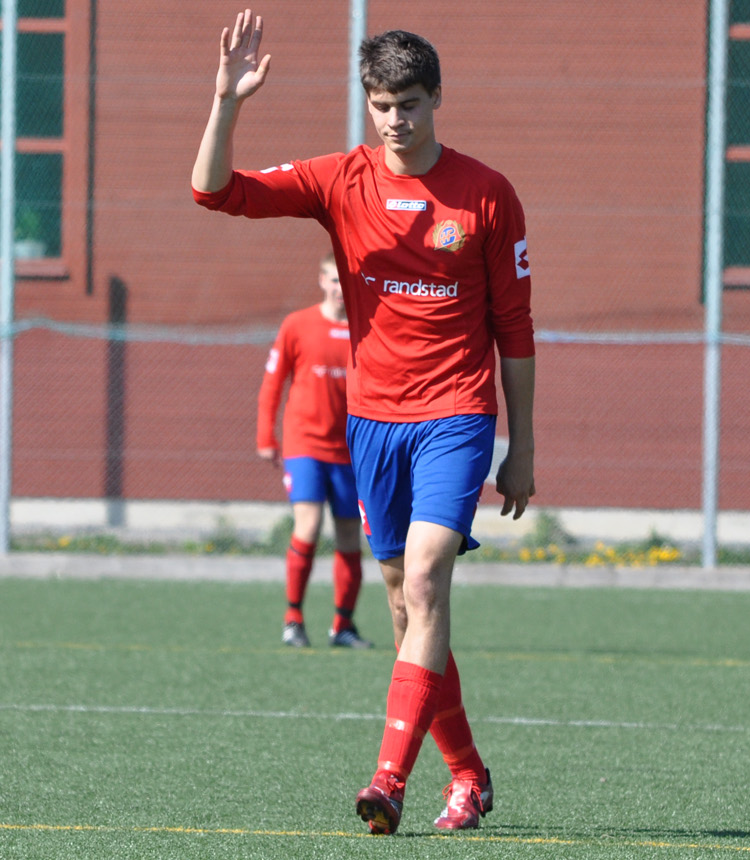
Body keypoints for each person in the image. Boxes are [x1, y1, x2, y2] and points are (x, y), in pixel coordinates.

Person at [191, 11, 536, 834]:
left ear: (436, 98)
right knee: (405, 608)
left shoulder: (487, 194)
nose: (395, 120)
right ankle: (468, 775)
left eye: (409, 103)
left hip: (456, 414)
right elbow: (214, 191)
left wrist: (521, 445)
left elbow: (515, 327)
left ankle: (389, 780)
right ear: (367, 102)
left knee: (426, 579)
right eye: (382, 105)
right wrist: (226, 101)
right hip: (374, 422)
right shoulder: (339, 180)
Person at [257, 252, 372, 650]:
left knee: (350, 536)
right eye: (334, 280)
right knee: (307, 526)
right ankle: (293, 620)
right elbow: (273, 383)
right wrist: (265, 438)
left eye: (346, 281)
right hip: (304, 444)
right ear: (322, 281)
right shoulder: (297, 324)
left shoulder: (366, 327)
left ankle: (343, 626)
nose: (340, 288)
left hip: (350, 452)